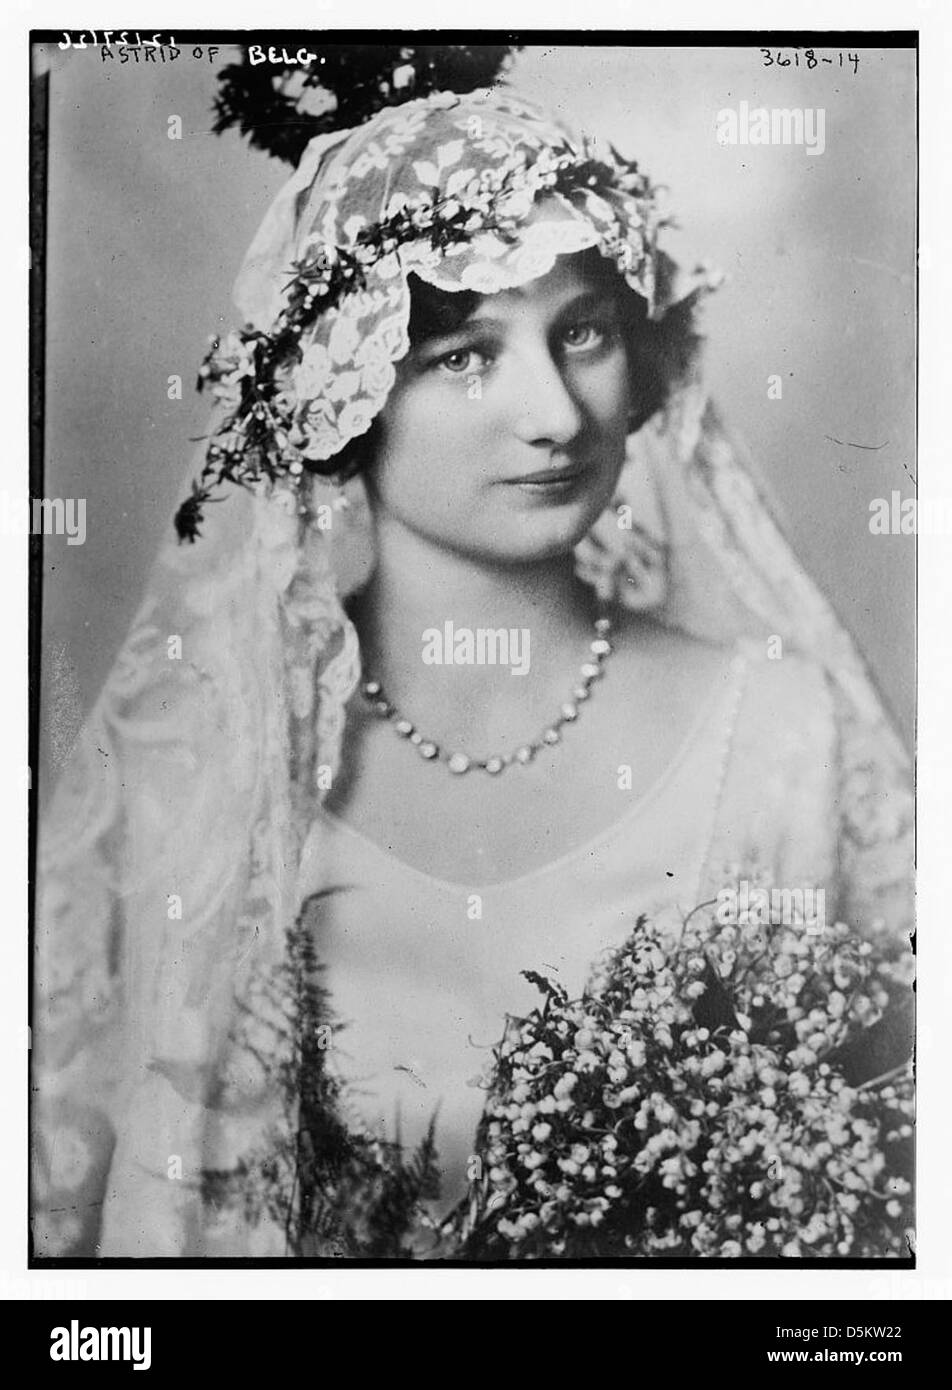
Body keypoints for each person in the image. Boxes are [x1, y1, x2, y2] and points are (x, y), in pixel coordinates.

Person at [32, 88, 914, 1258]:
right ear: (343, 400)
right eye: (462, 353)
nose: (553, 414)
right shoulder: (208, 763)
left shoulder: (790, 737)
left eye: (585, 332)